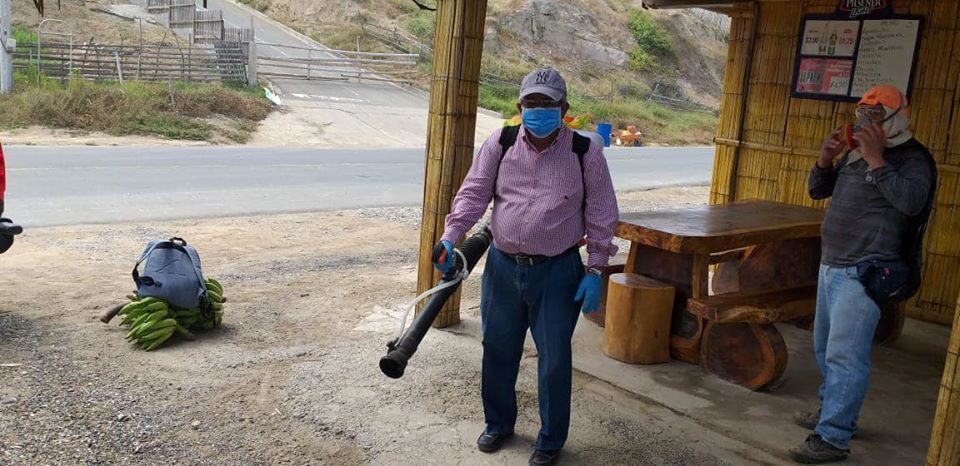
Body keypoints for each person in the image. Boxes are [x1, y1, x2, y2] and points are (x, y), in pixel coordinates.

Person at [432, 67, 618, 466]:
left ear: (564, 109)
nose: (538, 110)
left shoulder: (584, 152)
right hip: (502, 267)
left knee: (554, 359)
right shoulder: (500, 142)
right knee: (497, 349)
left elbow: (602, 214)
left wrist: (595, 269)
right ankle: (498, 424)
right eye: (531, 103)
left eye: (547, 104)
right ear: (520, 106)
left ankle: (550, 440)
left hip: (557, 272)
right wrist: (451, 235)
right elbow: (474, 194)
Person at [790, 84, 935, 464]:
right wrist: (826, 159)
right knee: (825, 350)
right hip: (832, 264)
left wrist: (876, 159)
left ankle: (833, 438)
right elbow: (818, 190)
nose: (865, 121)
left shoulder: (913, 158)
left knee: (846, 358)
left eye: (874, 115)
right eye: (862, 113)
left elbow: (912, 203)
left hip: (865, 271)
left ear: (897, 118)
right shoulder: (855, 153)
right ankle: (834, 413)